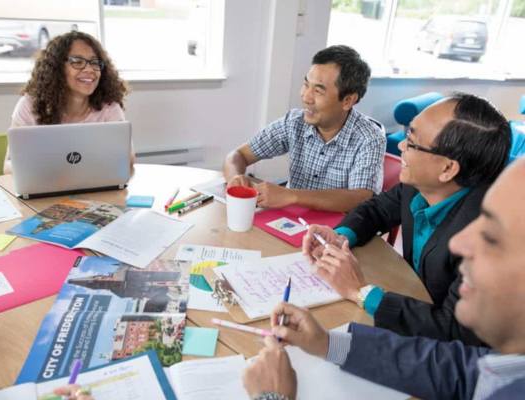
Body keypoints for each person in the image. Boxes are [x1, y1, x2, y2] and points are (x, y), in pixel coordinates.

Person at [244, 157, 525, 400]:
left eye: (490, 237)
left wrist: (271, 396)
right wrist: (326, 344)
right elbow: (457, 372)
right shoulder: (506, 369)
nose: (459, 244)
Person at [302, 93, 511, 346]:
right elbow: (376, 210)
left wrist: (361, 292)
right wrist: (341, 236)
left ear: (447, 169)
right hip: (412, 298)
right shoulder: (420, 184)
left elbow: (455, 329)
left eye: (411, 142)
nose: (401, 146)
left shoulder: (488, 238)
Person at [222, 45, 385, 212]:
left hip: (335, 231)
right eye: (306, 85)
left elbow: (360, 197)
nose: (306, 97)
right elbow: (237, 155)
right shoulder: (294, 122)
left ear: (348, 101)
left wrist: (291, 195)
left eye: (318, 91)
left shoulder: (369, 138)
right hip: (290, 221)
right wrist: (234, 176)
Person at [3, 31, 134, 174]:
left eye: (94, 62)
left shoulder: (109, 108)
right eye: (78, 62)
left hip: (95, 191)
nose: (89, 69)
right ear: (58, 67)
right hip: (44, 192)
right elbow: (8, 166)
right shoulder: (29, 105)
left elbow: (128, 158)